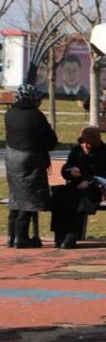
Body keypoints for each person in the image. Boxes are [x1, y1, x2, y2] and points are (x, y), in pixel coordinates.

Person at [4, 84, 59, 248]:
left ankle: (11, 236)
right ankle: (22, 238)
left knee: (15, 196)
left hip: (11, 158)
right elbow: (51, 140)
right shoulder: (36, 115)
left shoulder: (10, 114)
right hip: (30, 159)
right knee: (30, 196)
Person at [50, 126, 106, 249]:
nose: (85, 146)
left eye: (88, 143)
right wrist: (70, 171)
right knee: (60, 195)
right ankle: (59, 235)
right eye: (83, 143)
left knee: (81, 199)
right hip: (75, 185)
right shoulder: (76, 151)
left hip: (96, 188)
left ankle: (71, 235)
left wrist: (90, 182)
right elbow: (67, 168)